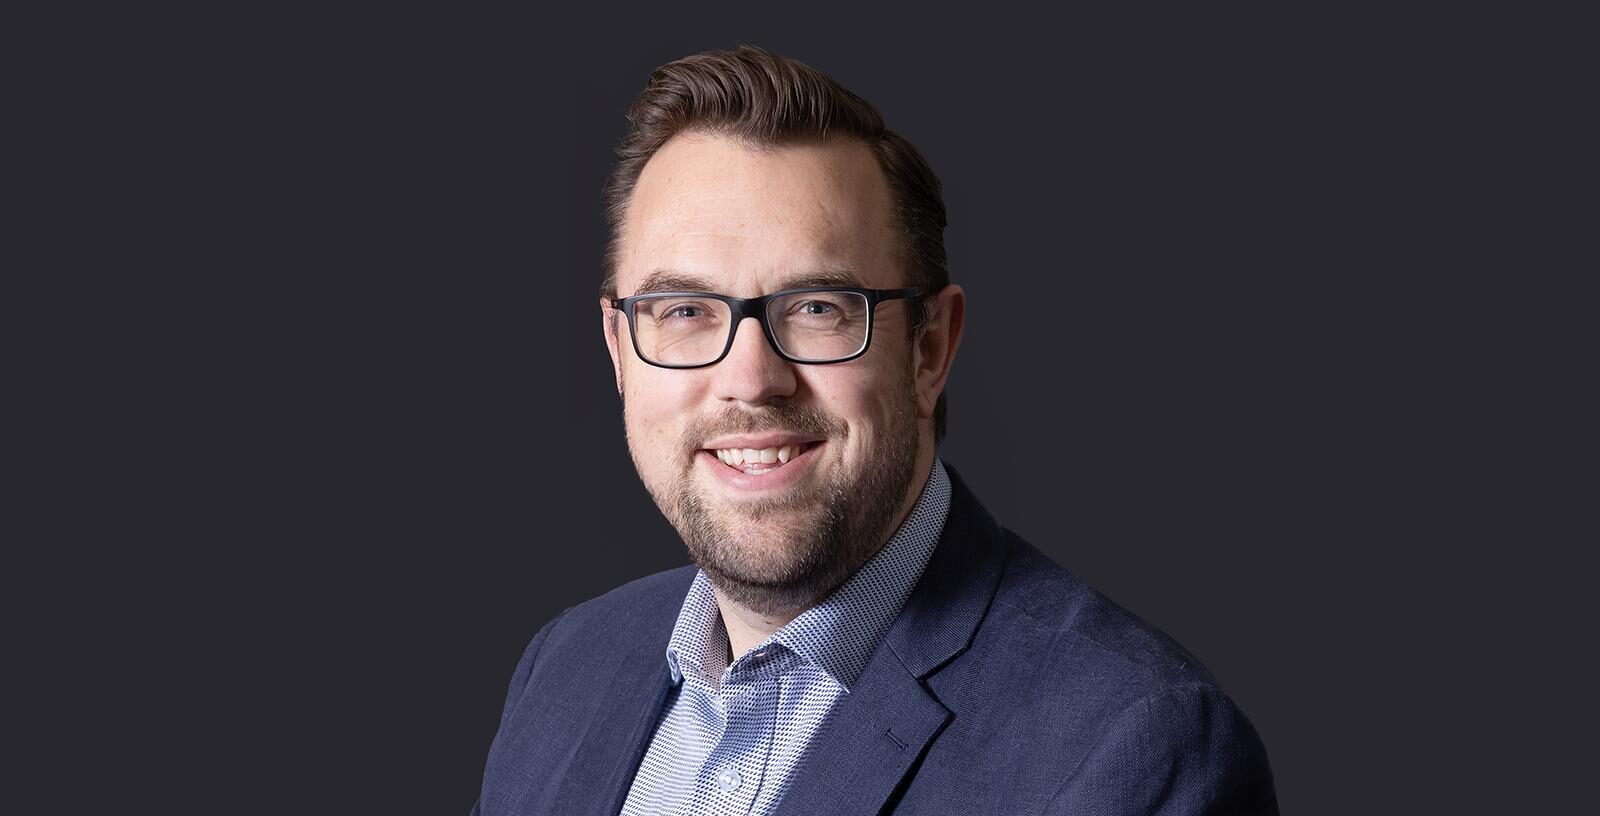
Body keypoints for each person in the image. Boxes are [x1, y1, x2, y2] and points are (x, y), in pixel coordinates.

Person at [472, 46, 1278, 815]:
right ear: (619, 349)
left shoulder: (1132, 749)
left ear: (930, 349)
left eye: (817, 307)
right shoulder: (565, 667)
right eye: (684, 311)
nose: (750, 379)